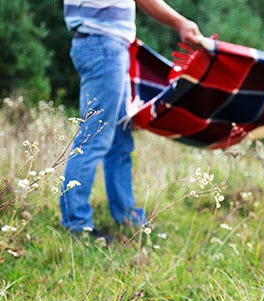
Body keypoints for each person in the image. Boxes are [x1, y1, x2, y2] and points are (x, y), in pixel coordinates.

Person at [61, 0, 203, 242]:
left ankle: (126, 216)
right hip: (103, 44)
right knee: (94, 137)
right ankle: (76, 224)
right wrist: (181, 23)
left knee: (119, 138)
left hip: (107, 43)